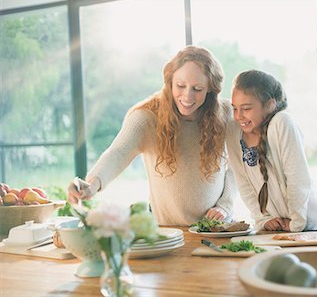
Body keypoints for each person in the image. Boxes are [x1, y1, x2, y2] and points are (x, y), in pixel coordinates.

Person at [67, 46, 237, 226]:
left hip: (216, 229)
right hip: (166, 231)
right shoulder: (147, 116)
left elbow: (237, 167)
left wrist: (225, 206)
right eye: (180, 86)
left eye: (197, 88)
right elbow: (117, 153)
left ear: (210, 88)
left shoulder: (226, 113)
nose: (187, 95)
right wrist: (92, 184)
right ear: (170, 81)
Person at [226, 69, 317, 232]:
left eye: (246, 108)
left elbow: (298, 178)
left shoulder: (282, 123)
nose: (238, 116)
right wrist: (263, 219)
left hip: (310, 228)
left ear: (269, 105)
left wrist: (296, 222)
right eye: (235, 108)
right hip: (276, 230)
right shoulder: (234, 131)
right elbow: (243, 182)